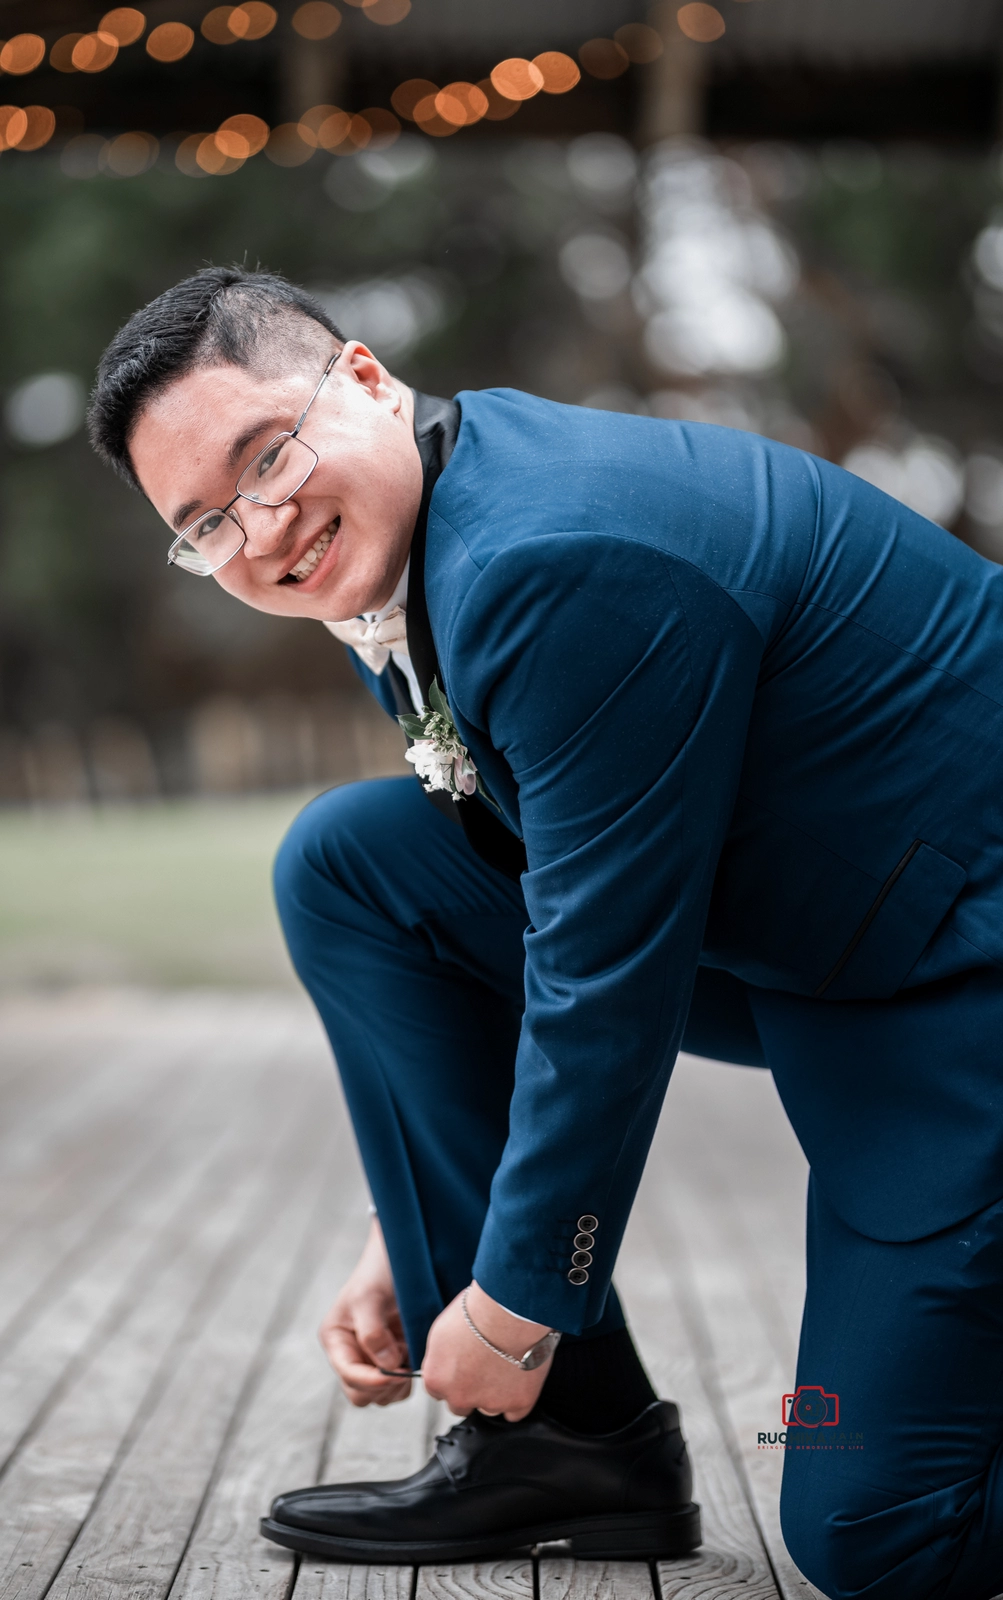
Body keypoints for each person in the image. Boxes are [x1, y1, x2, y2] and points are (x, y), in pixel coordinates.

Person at [88, 264, 1003, 1599]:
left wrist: (516, 1299)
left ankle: (545, 1377)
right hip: (814, 931)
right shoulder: (397, 534)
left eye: (266, 458)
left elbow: (600, 975)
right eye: (206, 523)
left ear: (359, 378)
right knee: (354, 867)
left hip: (956, 973)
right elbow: (526, 864)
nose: (261, 528)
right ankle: (567, 1445)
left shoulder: (554, 556)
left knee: (878, 1531)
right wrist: (399, 1230)